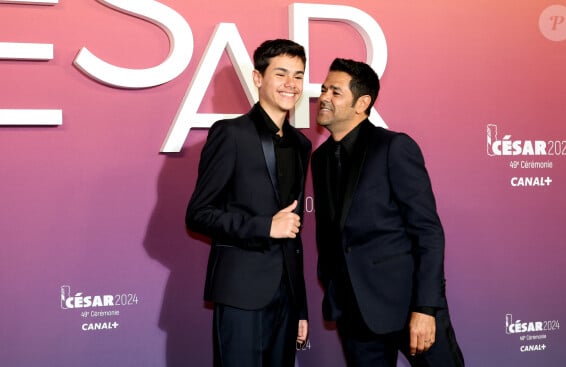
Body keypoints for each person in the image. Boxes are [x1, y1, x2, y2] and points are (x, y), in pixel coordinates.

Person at [311, 58, 464, 367]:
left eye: (335, 92)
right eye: (324, 88)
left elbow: (428, 231)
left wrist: (426, 308)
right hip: (354, 312)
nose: (324, 97)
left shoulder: (393, 147)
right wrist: (333, 286)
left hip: (409, 306)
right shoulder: (321, 158)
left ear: (361, 102)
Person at [185, 39, 311, 367]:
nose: (291, 84)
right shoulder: (231, 134)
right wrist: (264, 226)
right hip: (241, 291)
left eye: (298, 76)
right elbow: (199, 214)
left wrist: (301, 307)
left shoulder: (301, 144)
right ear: (258, 78)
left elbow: (295, 233)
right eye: (281, 74)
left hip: (285, 297)